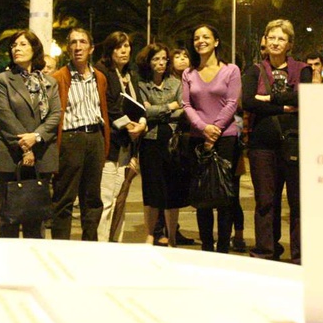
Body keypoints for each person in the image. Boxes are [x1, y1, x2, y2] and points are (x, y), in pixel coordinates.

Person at [242, 19, 311, 262]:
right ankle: (265, 252)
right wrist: (283, 106)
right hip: (262, 147)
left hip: (294, 144)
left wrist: (267, 99)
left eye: (281, 38)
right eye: (271, 37)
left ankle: (299, 255)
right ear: (265, 40)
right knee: (265, 202)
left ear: (289, 43)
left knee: (298, 202)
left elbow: (304, 96)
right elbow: (248, 102)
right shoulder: (253, 70)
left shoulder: (303, 69)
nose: (275, 42)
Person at [0, 30, 61, 239]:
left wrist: (36, 138)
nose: (17, 49)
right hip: (11, 156)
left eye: (22, 44)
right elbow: (5, 116)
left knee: (35, 219)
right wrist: (25, 146)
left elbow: (55, 114)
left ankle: (32, 267)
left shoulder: (48, 82)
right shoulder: (3, 79)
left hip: (41, 155)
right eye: (14, 45)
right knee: (9, 218)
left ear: (34, 49)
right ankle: (6, 267)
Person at [181, 24, 242, 253]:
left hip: (226, 138)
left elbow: (232, 103)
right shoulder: (189, 73)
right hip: (198, 139)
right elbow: (186, 104)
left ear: (216, 41)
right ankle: (207, 247)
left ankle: (223, 249)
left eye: (206, 37)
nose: (201, 41)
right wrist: (202, 128)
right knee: (203, 196)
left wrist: (215, 129)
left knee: (225, 196)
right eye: (197, 37)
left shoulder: (231, 70)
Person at [50, 28, 111, 241]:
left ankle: (89, 246)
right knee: (64, 199)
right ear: (68, 48)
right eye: (73, 42)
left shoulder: (99, 77)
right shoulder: (59, 78)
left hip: (94, 137)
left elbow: (103, 110)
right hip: (70, 139)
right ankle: (61, 250)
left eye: (82, 42)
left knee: (92, 199)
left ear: (91, 48)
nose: (78, 47)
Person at [95, 31, 146, 242]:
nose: (124, 51)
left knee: (121, 197)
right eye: (118, 47)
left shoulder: (131, 74)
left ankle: (116, 242)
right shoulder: (102, 72)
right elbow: (107, 107)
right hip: (111, 143)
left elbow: (141, 105)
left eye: (126, 46)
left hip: (128, 145)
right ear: (109, 50)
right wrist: (128, 125)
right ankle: (101, 243)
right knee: (106, 198)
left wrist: (142, 123)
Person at [135, 42, 185, 246]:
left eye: (164, 58)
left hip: (172, 141)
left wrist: (156, 109)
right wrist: (169, 106)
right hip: (150, 142)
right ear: (148, 62)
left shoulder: (175, 83)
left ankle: (172, 236)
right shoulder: (141, 85)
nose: (161, 63)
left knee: (172, 190)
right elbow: (143, 111)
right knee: (152, 190)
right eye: (156, 59)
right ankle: (150, 234)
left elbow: (183, 109)